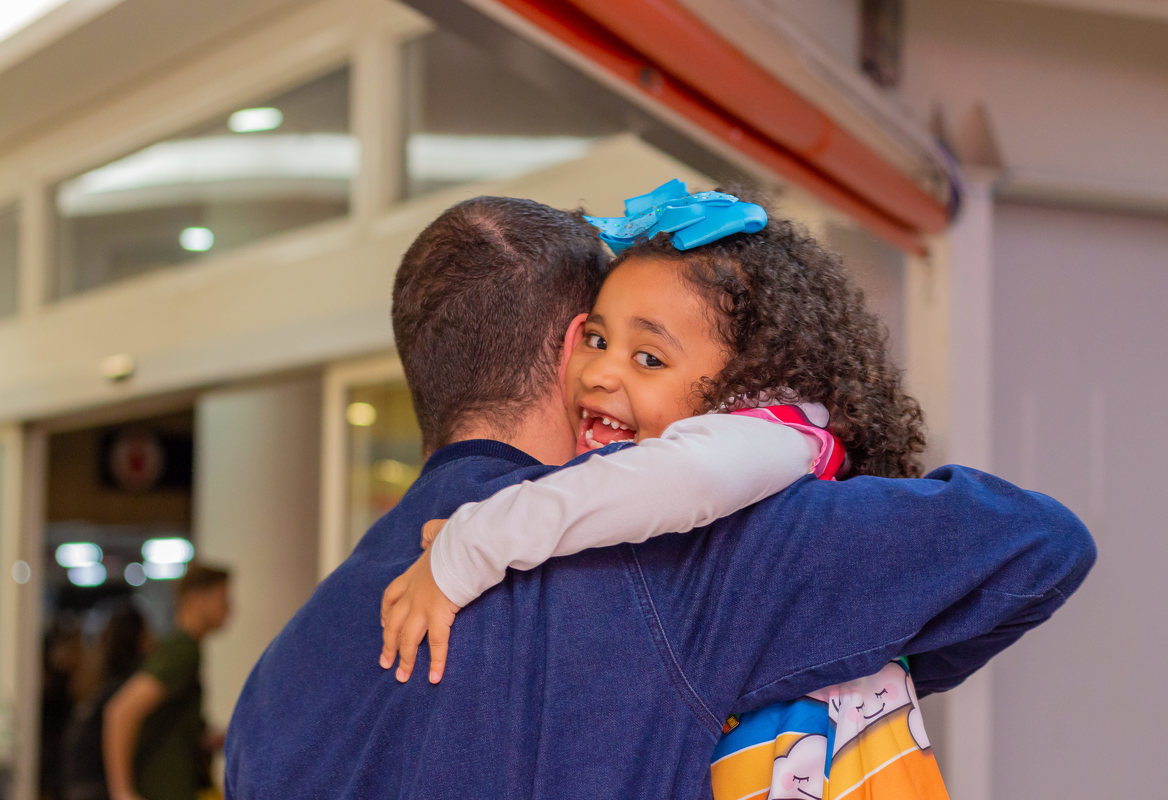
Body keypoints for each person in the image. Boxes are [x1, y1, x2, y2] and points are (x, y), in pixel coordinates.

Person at [224, 195, 1095, 799]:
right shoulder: (688, 557)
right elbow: (1037, 544)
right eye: (609, 343)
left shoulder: (276, 680)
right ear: (577, 346)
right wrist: (834, 655)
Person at [376, 184, 951, 800]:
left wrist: (472, 545)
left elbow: (653, 484)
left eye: (649, 358)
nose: (601, 372)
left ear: (748, 384)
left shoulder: (765, 442)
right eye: (597, 340)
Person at [104, 564, 231, 800]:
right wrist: (122, 791)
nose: (228, 608)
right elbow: (120, 712)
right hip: (162, 789)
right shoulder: (181, 650)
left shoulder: (181, 647)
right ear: (195, 599)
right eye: (221, 598)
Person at [61, 603, 153, 800]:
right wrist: (123, 791)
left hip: (77, 781)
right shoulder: (130, 682)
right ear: (139, 637)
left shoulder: (99, 678)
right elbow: (117, 714)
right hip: (95, 784)